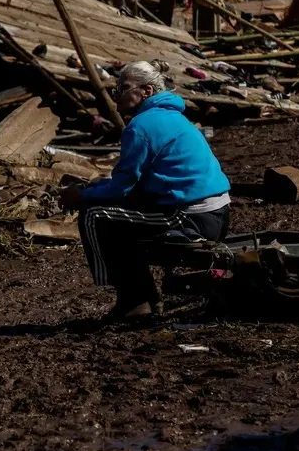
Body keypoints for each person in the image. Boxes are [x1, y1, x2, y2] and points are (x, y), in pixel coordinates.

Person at [60, 60, 231, 320]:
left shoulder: (141, 127)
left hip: (191, 218)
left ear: (147, 92)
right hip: (214, 213)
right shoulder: (172, 118)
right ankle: (145, 297)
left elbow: (122, 188)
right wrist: (95, 187)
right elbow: (131, 183)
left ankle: (133, 300)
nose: (117, 92)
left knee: (95, 215)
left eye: (124, 87)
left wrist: (82, 196)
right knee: (120, 216)